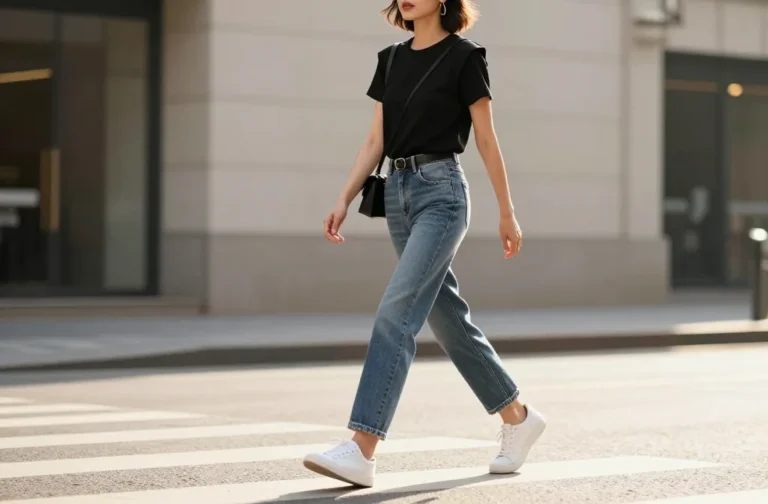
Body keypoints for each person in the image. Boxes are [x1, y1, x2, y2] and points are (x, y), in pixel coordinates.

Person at [303, 0, 546, 488]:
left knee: (397, 312)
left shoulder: (465, 57)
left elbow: (486, 139)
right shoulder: (390, 59)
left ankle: (362, 447)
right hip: (397, 193)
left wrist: (507, 210)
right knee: (446, 319)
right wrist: (343, 197)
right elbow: (376, 140)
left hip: (443, 196)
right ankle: (518, 417)